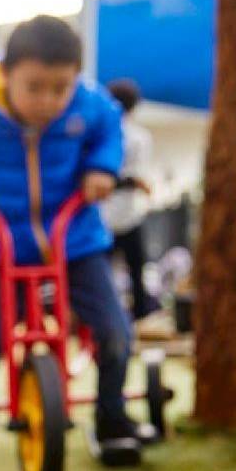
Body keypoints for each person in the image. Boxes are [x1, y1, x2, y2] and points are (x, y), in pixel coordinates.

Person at [0, 15, 152, 471]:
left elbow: (110, 128)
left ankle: (112, 419)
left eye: (60, 88)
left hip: (77, 243)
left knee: (116, 332)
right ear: (7, 74)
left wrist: (102, 168)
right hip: (8, 248)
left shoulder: (88, 104)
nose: (48, 101)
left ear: (75, 78)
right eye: (34, 87)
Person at [102, 78, 160, 321]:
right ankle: (137, 316)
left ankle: (109, 315)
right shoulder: (136, 137)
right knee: (134, 270)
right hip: (117, 213)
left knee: (109, 272)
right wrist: (134, 183)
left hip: (112, 213)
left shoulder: (103, 135)